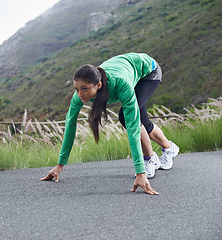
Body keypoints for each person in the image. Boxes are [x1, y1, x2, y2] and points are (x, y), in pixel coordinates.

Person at [40, 52, 179, 195]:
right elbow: (70, 126)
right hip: (127, 69)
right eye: (77, 89)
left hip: (148, 72)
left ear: (98, 85)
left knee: (127, 117)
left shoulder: (121, 85)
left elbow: (133, 128)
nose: (80, 94)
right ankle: (169, 149)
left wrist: (140, 173)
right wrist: (60, 165)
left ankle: (150, 157)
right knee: (142, 120)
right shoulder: (79, 96)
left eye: (84, 89)